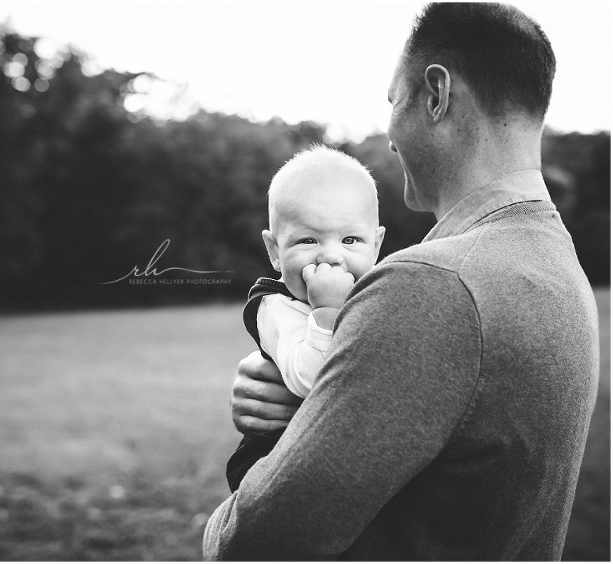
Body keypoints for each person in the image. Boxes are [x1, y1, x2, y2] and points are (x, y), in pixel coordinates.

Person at [203, 3, 599, 560]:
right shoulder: (556, 262)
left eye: (393, 101)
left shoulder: (433, 285)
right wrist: (322, 410)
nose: (388, 134)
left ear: (436, 94)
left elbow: (254, 543)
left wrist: (221, 524)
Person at [227, 146, 385, 492]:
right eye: (308, 240)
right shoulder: (276, 306)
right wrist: (327, 311)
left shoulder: (377, 294)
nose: (331, 256)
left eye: (349, 239)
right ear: (274, 252)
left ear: (375, 246)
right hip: (275, 456)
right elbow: (310, 382)